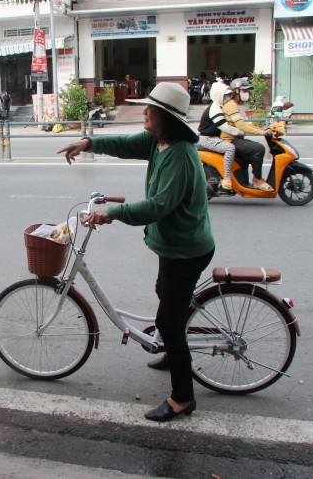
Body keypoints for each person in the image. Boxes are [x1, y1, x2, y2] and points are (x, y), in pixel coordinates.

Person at [56, 83, 215, 422]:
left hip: (186, 249)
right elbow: (124, 144)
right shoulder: (159, 142)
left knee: (167, 322)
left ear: (165, 117)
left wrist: (111, 212)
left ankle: (182, 399)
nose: (143, 112)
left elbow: (157, 207)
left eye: (149, 109)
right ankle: (174, 353)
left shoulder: (180, 157)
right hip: (173, 245)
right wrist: (89, 143)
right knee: (165, 294)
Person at [220, 78, 274, 191]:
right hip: (230, 140)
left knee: (251, 151)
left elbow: (242, 124)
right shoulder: (231, 105)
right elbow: (242, 126)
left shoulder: (234, 105)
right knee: (258, 149)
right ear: (236, 91)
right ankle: (257, 180)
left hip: (235, 138)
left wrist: (261, 128)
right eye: (244, 91)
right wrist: (262, 132)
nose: (247, 94)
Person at [196, 82, 237, 190]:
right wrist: (240, 132)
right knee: (230, 148)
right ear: (219, 95)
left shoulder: (220, 107)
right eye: (226, 96)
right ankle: (227, 178)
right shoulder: (215, 108)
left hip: (212, 138)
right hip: (207, 139)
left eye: (229, 95)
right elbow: (225, 127)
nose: (229, 98)